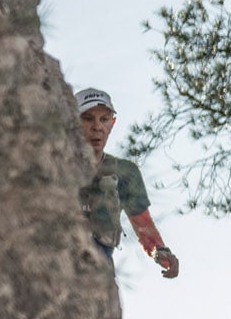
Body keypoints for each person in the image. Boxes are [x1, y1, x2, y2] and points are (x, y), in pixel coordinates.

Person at [76, 87, 179, 278]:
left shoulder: (124, 172)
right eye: (88, 118)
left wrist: (160, 252)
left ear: (112, 123)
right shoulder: (54, 163)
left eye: (104, 119)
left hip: (100, 271)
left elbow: (143, 225)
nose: (97, 126)